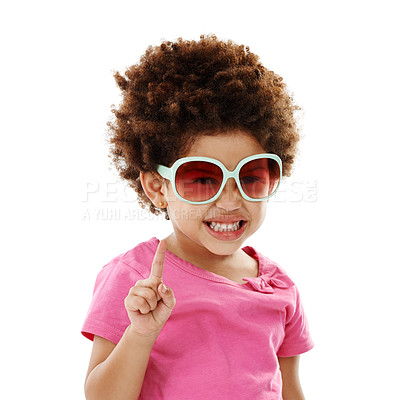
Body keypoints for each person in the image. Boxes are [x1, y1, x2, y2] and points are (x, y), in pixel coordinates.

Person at [81, 34, 314, 400]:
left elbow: (291, 390)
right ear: (158, 187)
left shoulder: (280, 287)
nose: (230, 201)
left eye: (252, 176)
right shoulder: (133, 280)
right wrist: (141, 333)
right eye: (202, 179)